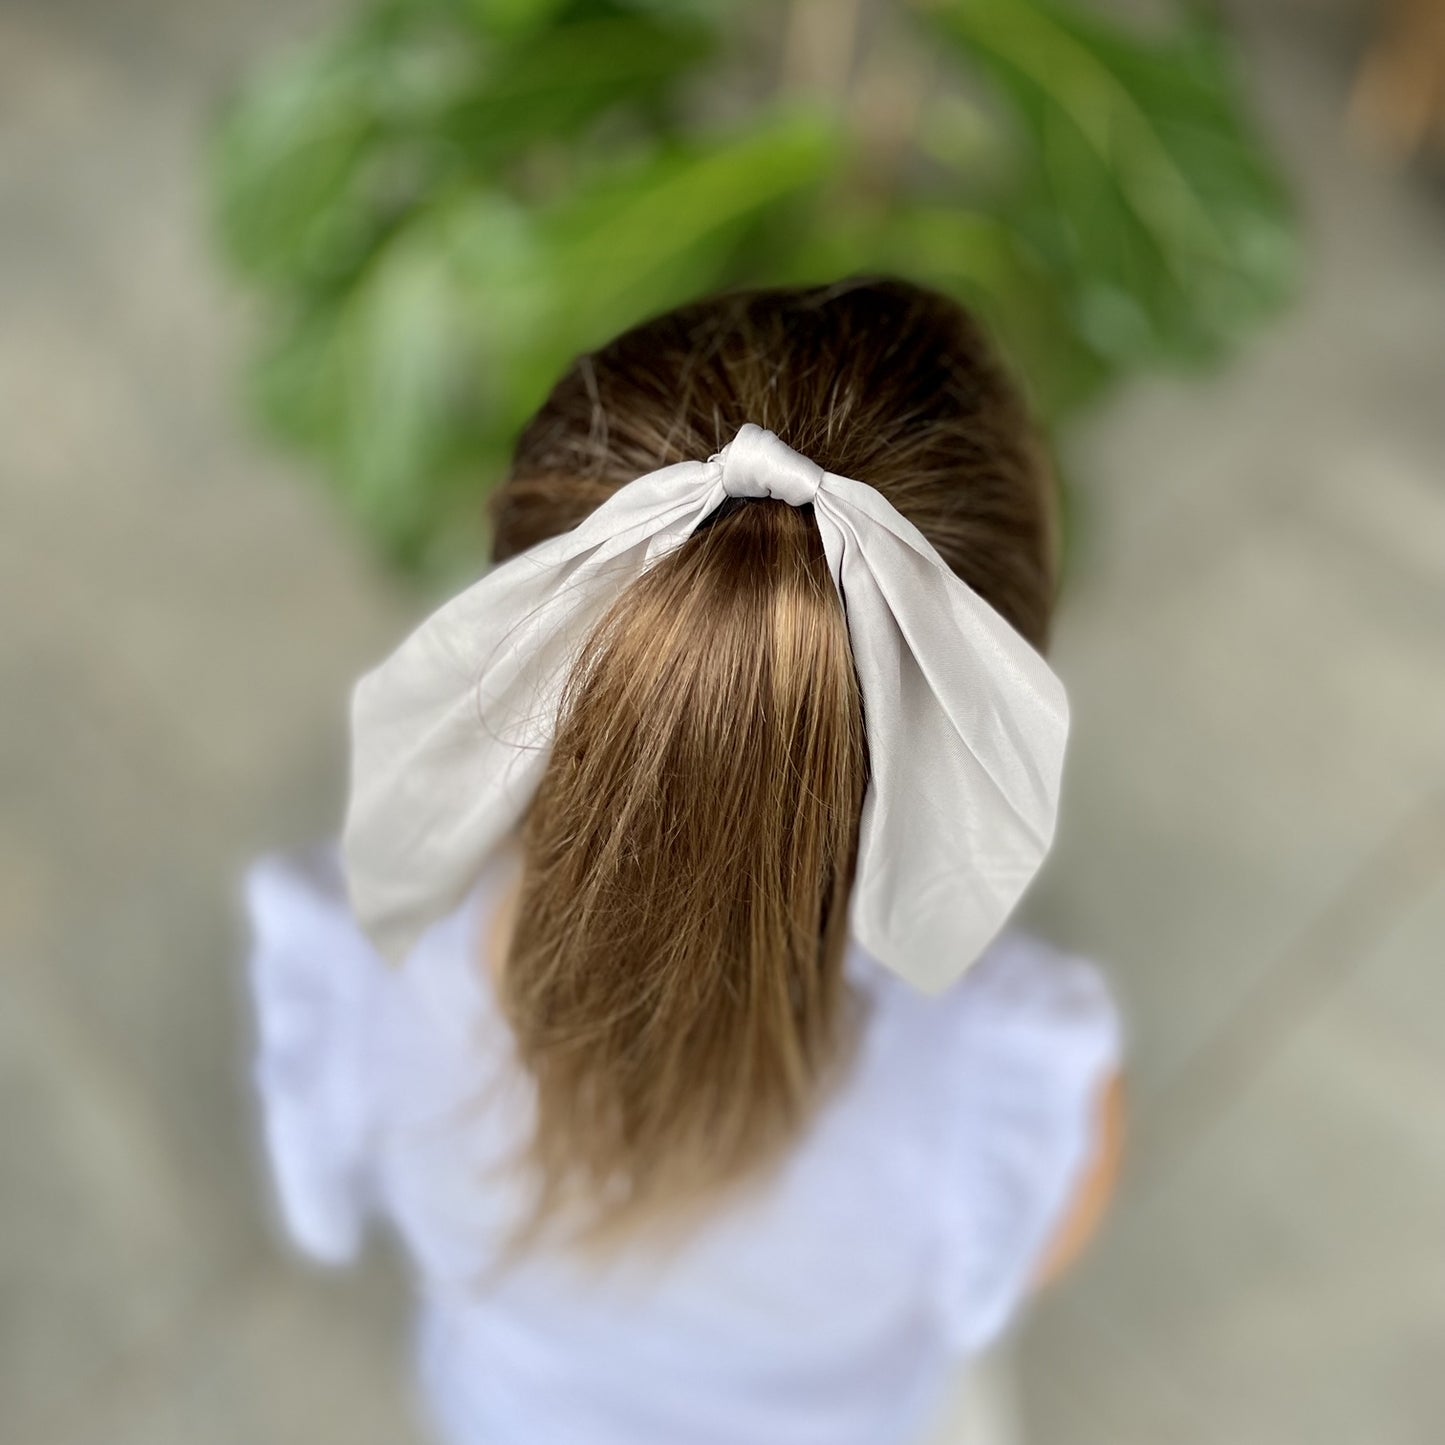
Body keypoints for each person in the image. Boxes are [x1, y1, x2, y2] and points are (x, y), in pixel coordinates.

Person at [245, 278, 1125, 1445]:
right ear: (985, 737)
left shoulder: (363, 972)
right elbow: (1024, 1260)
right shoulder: (1007, 1076)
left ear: (517, 613)